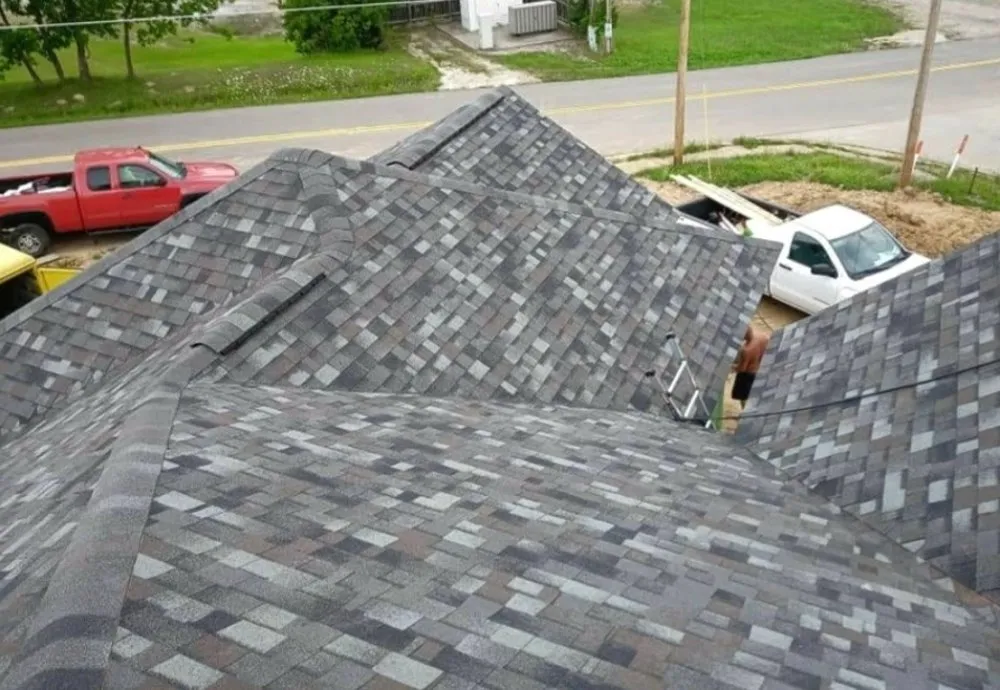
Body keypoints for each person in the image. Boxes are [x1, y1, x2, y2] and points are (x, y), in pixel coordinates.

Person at [731, 325, 770, 410]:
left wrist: (733, 367)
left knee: (743, 397)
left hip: (748, 375)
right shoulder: (763, 337)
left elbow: (742, 369)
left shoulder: (746, 350)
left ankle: (746, 410)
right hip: (760, 369)